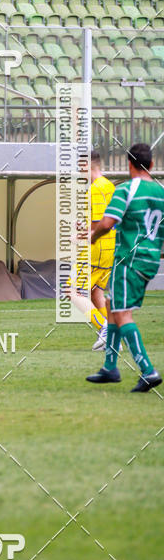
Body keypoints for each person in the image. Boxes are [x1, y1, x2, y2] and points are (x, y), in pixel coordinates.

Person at [86, 143, 164, 391]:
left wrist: (92, 236)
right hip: (151, 260)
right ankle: (110, 366)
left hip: (128, 259)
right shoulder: (161, 193)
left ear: (128, 164)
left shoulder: (126, 190)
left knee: (121, 314)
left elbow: (107, 223)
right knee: (111, 305)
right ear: (151, 165)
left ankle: (148, 370)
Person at [89, 151, 116, 351]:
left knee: (70, 291)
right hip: (110, 246)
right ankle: (111, 336)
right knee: (95, 291)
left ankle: (105, 328)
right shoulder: (109, 185)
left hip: (97, 248)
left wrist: (81, 232)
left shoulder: (96, 188)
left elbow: (98, 223)